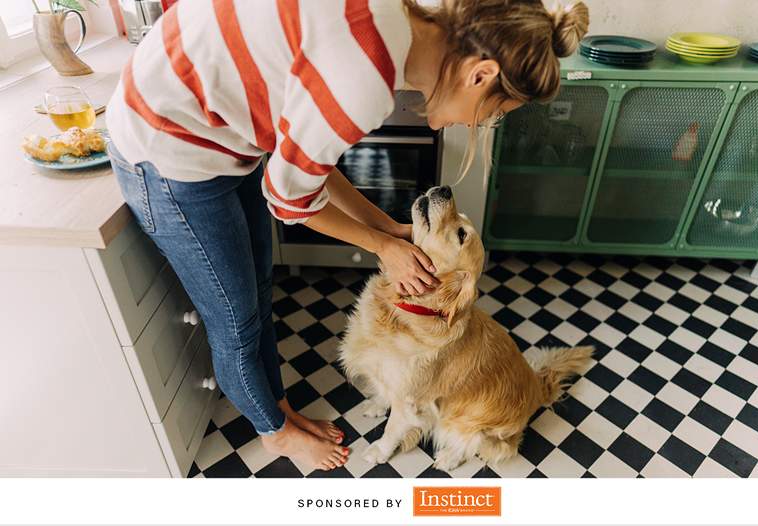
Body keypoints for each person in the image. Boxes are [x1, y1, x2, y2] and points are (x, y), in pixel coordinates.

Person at [105, 0, 589, 472]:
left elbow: (307, 158)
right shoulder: (365, 77)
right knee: (234, 321)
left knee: (254, 298)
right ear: (479, 75)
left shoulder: (394, 23)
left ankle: (279, 410)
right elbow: (288, 199)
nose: (478, 122)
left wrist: (384, 227)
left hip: (224, 133)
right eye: (496, 111)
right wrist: (381, 246)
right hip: (167, 143)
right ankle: (276, 436)